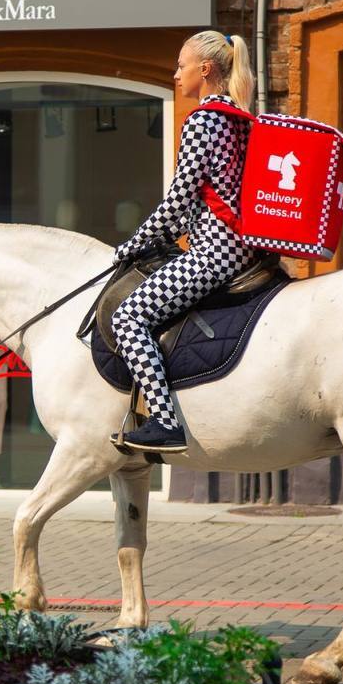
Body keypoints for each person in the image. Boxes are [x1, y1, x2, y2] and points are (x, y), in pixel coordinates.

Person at [109, 31, 257, 452]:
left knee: (129, 317)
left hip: (215, 252)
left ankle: (164, 421)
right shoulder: (240, 118)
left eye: (181, 65)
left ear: (205, 70)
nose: (176, 74)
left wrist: (132, 245)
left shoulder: (203, 121)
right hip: (246, 248)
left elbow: (178, 201)